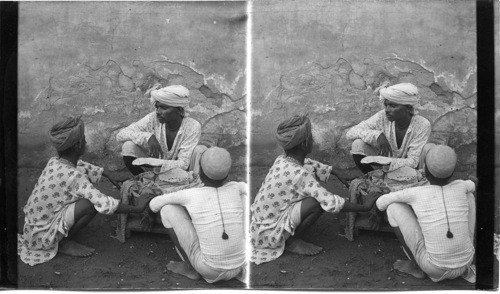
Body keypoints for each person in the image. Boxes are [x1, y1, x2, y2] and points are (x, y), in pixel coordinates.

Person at [18, 117, 155, 266]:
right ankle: (64, 242)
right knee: (90, 203)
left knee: (83, 192)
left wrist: (107, 174)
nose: (86, 142)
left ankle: (61, 234)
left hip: (32, 230)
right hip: (44, 237)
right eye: (83, 139)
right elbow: (103, 203)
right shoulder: (75, 177)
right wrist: (138, 208)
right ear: (77, 145)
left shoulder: (54, 162)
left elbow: (80, 166)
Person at [250, 115, 381, 265]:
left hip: (259, 229)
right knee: (315, 202)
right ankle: (291, 242)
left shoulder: (282, 160)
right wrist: (365, 207)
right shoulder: (300, 175)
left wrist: (335, 171)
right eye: (310, 137)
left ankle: (288, 233)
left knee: (311, 193)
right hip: (271, 235)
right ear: (304, 144)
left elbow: (308, 163)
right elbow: (330, 202)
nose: (313, 140)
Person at [376, 145, 476, 283]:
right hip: (466, 262)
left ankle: (416, 267)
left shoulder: (416, 192)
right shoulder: (461, 185)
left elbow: (380, 203)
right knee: (469, 196)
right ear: (452, 172)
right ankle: (462, 257)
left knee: (393, 207)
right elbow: (472, 185)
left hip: (434, 268)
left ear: (425, 172)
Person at [149, 147, 246, 284]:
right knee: (244, 197)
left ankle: (189, 268)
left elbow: (154, 204)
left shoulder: (191, 194)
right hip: (239, 264)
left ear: (199, 171)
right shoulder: (235, 187)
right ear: (227, 174)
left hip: (208, 269)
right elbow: (245, 188)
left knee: (167, 209)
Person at [116, 84, 205, 175]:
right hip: (153, 172)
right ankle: (143, 180)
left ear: (179, 110)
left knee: (200, 150)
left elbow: (183, 163)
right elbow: (121, 135)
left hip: (180, 173)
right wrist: (148, 137)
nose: (158, 112)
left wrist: (155, 163)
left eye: (164, 108)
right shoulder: (153, 118)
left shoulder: (192, 126)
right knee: (128, 146)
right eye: (157, 107)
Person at [346, 82, 432, 174]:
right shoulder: (382, 116)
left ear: (409, 109)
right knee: (357, 144)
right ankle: (372, 177)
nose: (387, 110)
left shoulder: (422, 125)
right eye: (386, 105)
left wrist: (383, 160)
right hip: (383, 167)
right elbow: (350, 133)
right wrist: (376, 135)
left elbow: (413, 162)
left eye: (393, 106)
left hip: (410, 171)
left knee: (429, 148)